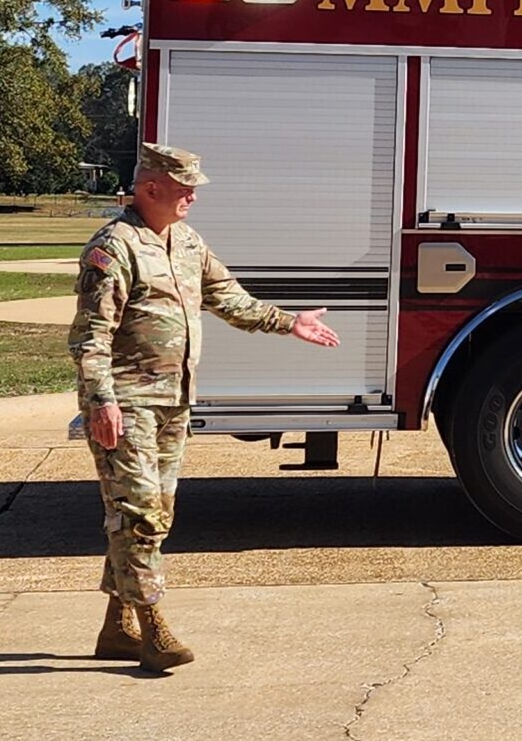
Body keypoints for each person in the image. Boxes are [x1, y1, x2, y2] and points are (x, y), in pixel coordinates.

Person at [68, 142, 341, 670]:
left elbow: (230, 300)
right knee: (139, 512)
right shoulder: (113, 248)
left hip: (174, 403)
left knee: (152, 513)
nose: (193, 195)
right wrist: (101, 402)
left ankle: (115, 626)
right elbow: (89, 336)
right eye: (184, 187)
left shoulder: (188, 243)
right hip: (127, 404)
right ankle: (152, 628)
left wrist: (290, 321)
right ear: (151, 189)